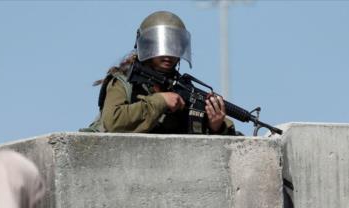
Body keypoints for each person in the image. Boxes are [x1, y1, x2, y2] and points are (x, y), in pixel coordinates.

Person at [83, 11, 236, 135]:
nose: (168, 53)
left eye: (174, 47)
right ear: (146, 46)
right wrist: (161, 101)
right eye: (161, 46)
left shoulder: (183, 89)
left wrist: (216, 126)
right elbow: (113, 121)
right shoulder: (124, 81)